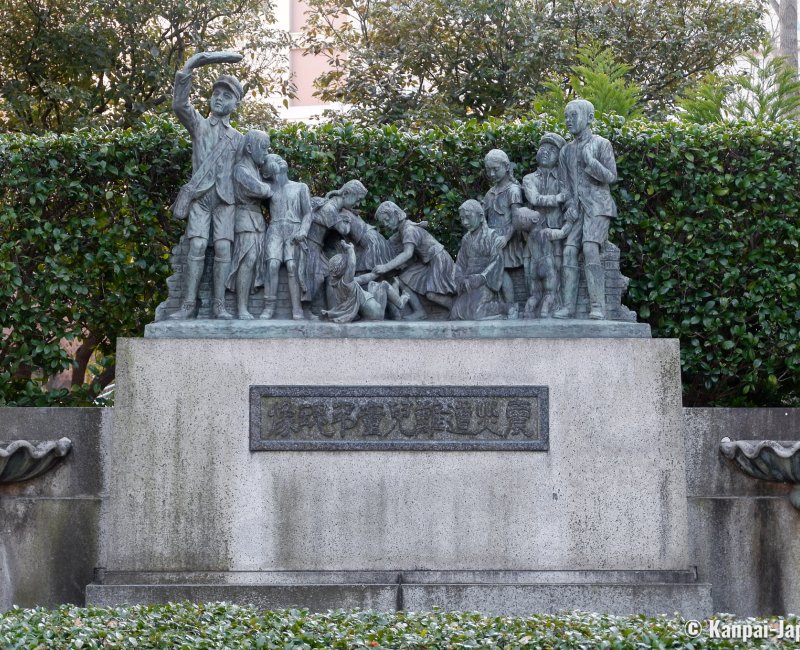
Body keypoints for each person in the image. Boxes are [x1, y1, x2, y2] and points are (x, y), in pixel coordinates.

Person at [169, 51, 244, 320]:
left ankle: (220, 305)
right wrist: (191, 64)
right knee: (197, 247)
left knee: (224, 249)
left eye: (226, 96)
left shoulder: (239, 139)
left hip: (225, 200)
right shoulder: (199, 125)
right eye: (216, 94)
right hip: (200, 198)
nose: (219, 98)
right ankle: (188, 306)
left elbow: (246, 173)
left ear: (236, 104)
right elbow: (180, 105)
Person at [555, 99, 618, 320]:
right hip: (578, 210)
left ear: (589, 118)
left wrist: (591, 162)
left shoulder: (602, 144)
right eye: (566, 116)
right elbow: (565, 184)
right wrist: (570, 205)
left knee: (590, 248)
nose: (568, 120)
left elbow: (611, 177)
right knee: (569, 251)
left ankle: (597, 305)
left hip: (599, 207)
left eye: (573, 115)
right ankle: (568, 306)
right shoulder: (565, 151)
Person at [365, 201, 456, 320]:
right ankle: (420, 311)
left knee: (432, 295)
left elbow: (407, 253)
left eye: (387, 220)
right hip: (427, 262)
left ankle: (454, 308)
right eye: (383, 222)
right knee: (403, 279)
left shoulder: (409, 230)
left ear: (396, 214)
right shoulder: (402, 230)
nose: (386, 224)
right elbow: (388, 244)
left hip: (439, 260)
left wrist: (386, 267)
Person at [293, 183, 363, 316]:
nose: (358, 204)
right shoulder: (330, 209)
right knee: (316, 278)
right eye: (357, 199)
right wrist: (347, 220)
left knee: (328, 275)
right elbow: (344, 230)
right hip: (311, 247)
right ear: (346, 194)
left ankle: (332, 309)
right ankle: (307, 311)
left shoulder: (333, 207)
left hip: (317, 247)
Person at [225, 130, 272, 319]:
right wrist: (270, 188)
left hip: (257, 222)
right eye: (264, 148)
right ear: (250, 148)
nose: (267, 153)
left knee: (255, 262)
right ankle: (242, 308)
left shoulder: (256, 170)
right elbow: (260, 189)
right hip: (244, 220)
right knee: (247, 260)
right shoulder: (240, 170)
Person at [260, 154, 312, 320]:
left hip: (294, 228)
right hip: (275, 228)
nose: (280, 160)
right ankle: (269, 308)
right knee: (272, 265)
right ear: (267, 172)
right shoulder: (267, 189)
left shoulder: (300, 187)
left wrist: (303, 230)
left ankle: (297, 308)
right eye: (274, 160)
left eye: (280, 158)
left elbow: (308, 213)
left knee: (292, 266)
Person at [522, 133, 568, 306]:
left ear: (559, 156)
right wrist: (558, 198)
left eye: (552, 149)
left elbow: (569, 202)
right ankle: (534, 299)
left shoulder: (564, 179)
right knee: (532, 269)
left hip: (557, 230)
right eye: (542, 148)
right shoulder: (529, 178)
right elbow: (534, 199)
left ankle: (556, 302)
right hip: (534, 234)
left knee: (557, 265)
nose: (546, 152)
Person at [482, 149, 528, 319]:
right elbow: (484, 219)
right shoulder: (490, 193)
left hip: (508, 239)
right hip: (493, 240)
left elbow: (518, 219)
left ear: (507, 167)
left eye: (495, 169)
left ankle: (512, 306)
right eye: (488, 170)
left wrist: (506, 238)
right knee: (494, 272)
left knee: (501, 271)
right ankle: (501, 305)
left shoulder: (513, 190)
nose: (492, 174)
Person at [321, 241, 409, 323]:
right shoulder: (346, 283)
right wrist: (350, 250)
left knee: (372, 284)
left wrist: (376, 273)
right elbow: (352, 265)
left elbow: (363, 278)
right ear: (345, 269)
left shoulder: (336, 283)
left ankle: (395, 290)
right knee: (384, 285)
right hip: (376, 313)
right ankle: (401, 302)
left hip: (369, 313)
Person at [514, 207, 577, 318]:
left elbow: (527, 258)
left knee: (535, 295)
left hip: (534, 267)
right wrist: (570, 222)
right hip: (546, 265)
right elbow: (562, 233)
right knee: (550, 293)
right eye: (531, 212)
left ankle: (528, 311)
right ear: (534, 220)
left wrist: (528, 273)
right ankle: (544, 311)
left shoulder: (529, 238)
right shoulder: (546, 233)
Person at [449, 199, 505, 321]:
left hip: (485, 283)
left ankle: (502, 307)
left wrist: (482, 277)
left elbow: (497, 260)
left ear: (480, 217)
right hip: (469, 283)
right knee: (455, 312)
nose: (464, 222)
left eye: (468, 218)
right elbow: (460, 263)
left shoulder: (491, 236)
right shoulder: (466, 239)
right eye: (462, 218)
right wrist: (461, 278)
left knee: (476, 313)